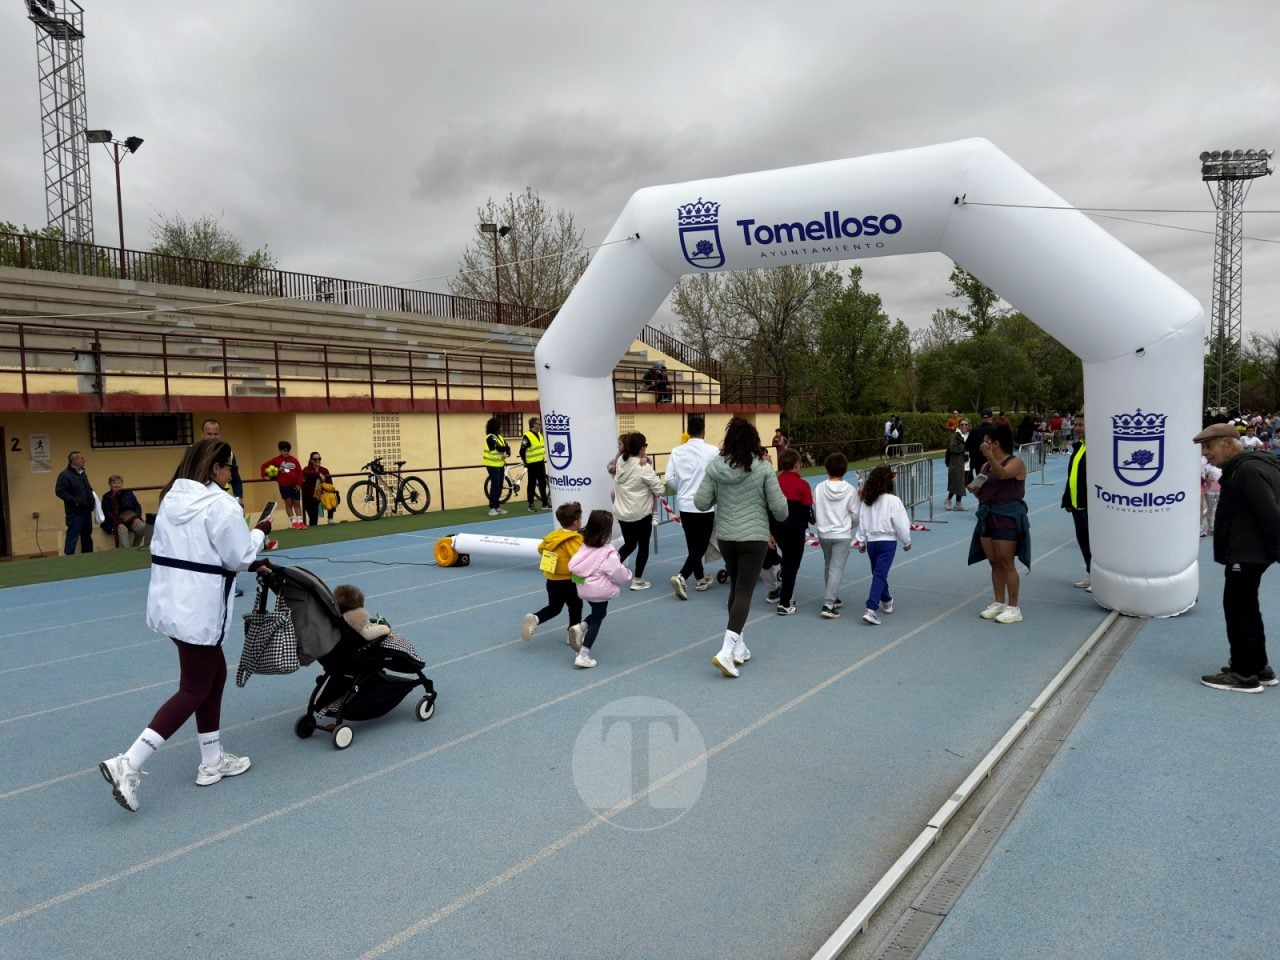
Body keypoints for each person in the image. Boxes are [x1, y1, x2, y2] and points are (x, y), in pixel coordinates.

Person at [98, 439, 273, 812]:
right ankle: (127, 763)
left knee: (214, 676)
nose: (231, 474)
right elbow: (239, 555)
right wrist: (259, 533)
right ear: (214, 469)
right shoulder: (222, 506)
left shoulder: (171, 498)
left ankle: (211, 761)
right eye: (229, 467)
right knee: (194, 688)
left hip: (172, 601)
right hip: (199, 606)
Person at [695, 417, 788, 678]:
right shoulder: (763, 469)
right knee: (745, 591)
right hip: (754, 536)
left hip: (726, 537)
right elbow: (780, 509)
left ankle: (739, 646)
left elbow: (701, 502)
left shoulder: (715, 468)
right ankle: (726, 651)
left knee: (737, 588)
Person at [1193, 422, 1280, 693]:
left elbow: (1270, 513)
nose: (1206, 452)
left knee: (1238, 608)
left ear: (1229, 444)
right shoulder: (1257, 465)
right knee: (1247, 607)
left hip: (1247, 552)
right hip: (1251, 551)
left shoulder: (1247, 471)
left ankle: (1243, 674)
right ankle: (1258, 666)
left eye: (1209, 446)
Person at [968, 423, 1030, 624]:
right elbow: (980, 485)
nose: (984, 444)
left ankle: (1014, 607)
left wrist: (988, 456)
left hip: (1007, 517)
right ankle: (999, 602)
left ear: (996, 443)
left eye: (987, 441)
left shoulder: (1016, 463)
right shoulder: (986, 465)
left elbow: (1003, 474)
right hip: (988, 517)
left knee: (1006, 562)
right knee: (994, 562)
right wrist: (975, 488)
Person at [566, 509, 633, 668]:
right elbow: (617, 572)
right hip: (599, 590)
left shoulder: (584, 546)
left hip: (584, 587)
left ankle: (580, 627)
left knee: (599, 613)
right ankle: (583, 654)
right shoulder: (608, 552)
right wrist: (628, 575)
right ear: (607, 530)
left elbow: (575, 566)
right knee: (597, 619)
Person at [665, 416, 720, 599]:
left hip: (685, 503)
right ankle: (682, 576)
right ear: (703, 431)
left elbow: (669, 478)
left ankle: (700, 577)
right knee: (701, 545)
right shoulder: (712, 450)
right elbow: (719, 474)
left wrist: (682, 490)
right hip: (705, 504)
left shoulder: (676, 451)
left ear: (688, 432)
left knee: (692, 544)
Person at [520, 501, 585, 648]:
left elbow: (540, 549)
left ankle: (536, 618)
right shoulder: (574, 539)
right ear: (575, 522)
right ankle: (572, 633)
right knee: (576, 605)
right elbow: (578, 558)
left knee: (554, 607)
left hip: (552, 579)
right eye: (580, 519)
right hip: (569, 579)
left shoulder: (553, 536)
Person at [854, 465, 912, 625]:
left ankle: (886, 600)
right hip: (887, 543)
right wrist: (906, 541)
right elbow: (901, 523)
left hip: (872, 543)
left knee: (878, 573)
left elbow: (862, 521)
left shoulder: (868, 500)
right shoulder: (893, 501)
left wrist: (861, 540)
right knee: (879, 574)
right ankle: (871, 609)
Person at [613, 432, 667, 590]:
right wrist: (646, 464)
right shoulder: (644, 468)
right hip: (640, 514)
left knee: (629, 544)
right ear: (642, 448)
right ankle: (637, 580)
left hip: (622, 513)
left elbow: (631, 462)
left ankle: (606, 570)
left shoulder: (620, 462)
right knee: (643, 546)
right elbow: (660, 489)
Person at [202, 418, 246, 596]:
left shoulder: (228, 452)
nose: (212, 437)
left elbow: (235, 477)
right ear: (202, 434)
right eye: (209, 434)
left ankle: (230, 581)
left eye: (216, 433)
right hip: (202, 503)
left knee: (227, 540)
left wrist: (239, 498)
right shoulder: (194, 452)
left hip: (223, 500)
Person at [813, 452, 858, 619]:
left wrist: (822, 523)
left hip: (824, 532)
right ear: (845, 470)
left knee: (829, 564)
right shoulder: (850, 490)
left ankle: (832, 596)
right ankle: (829, 603)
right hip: (842, 534)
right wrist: (848, 526)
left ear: (826, 469)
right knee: (836, 568)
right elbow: (855, 514)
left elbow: (815, 509)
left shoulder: (819, 487)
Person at [771, 448, 813, 615]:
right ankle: (784, 602)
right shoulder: (803, 484)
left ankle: (786, 595)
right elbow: (808, 509)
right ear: (797, 464)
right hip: (795, 529)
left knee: (787, 561)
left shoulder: (775, 482)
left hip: (777, 528)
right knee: (791, 565)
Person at [1061, 412, 1090, 590]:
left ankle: (1100, 578)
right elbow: (1072, 476)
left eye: (1081, 425)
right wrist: (1067, 500)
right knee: (1083, 540)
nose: (1077, 428)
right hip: (1076, 503)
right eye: (1076, 425)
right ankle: (1091, 573)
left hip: (1089, 505)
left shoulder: (1095, 449)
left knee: (1095, 543)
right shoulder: (1078, 447)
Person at [55, 450, 96, 555]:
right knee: (73, 536)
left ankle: (88, 556)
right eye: (82, 458)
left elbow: (87, 488)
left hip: (86, 510)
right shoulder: (65, 475)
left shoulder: (82, 474)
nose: (84, 460)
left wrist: (92, 499)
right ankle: (69, 558)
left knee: (87, 535)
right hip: (75, 512)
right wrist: (75, 501)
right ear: (74, 460)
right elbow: (60, 491)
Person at [260, 441, 305, 529]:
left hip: (295, 485)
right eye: (284, 451)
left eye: (288, 451)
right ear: (280, 450)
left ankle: (301, 522)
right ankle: (294, 523)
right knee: (288, 503)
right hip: (284, 485)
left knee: (297, 503)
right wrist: (264, 476)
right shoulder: (276, 460)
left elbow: (300, 472)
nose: (286, 453)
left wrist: (299, 484)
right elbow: (264, 466)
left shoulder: (294, 460)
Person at [101, 474, 147, 547]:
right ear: (110, 485)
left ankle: (135, 547)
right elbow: (107, 512)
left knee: (142, 526)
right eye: (114, 483)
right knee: (122, 530)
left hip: (131, 519)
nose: (117, 485)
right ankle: (127, 552)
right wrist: (118, 523)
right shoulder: (106, 496)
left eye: (119, 483)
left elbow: (137, 506)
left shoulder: (128, 493)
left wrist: (137, 518)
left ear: (122, 484)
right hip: (115, 521)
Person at [519, 415, 552, 512]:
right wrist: (526, 462)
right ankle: (531, 504)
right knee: (532, 484)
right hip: (532, 464)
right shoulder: (527, 436)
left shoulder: (540, 435)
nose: (540, 425)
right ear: (533, 425)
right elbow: (522, 451)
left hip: (540, 462)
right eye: (539, 423)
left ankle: (545, 503)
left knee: (542, 483)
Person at [482, 416, 511, 516]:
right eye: (499, 426)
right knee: (495, 485)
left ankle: (497, 506)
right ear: (495, 426)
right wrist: (505, 448)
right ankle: (492, 507)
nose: (501, 428)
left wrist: (507, 450)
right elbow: (498, 448)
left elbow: (507, 447)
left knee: (499, 485)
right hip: (491, 464)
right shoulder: (490, 437)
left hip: (500, 464)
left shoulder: (499, 437)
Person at [301, 452, 336, 527]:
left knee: (332, 496)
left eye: (319, 459)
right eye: (315, 459)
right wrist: (318, 474)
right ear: (311, 460)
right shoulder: (307, 469)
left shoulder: (324, 470)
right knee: (313, 517)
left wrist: (325, 488)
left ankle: (330, 518)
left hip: (322, 495)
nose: (317, 460)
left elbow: (330, 483)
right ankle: (313, 530)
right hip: (310, 497)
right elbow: (304, 473)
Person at [944, 418, 971, 511]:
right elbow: (953, 449)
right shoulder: (955, 435)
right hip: (957, 463)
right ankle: (948, 500)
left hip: (967, 463)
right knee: (956, 483)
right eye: (962, 424)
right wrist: (964, 446)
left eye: (966, 424)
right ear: (959, 426)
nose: (964, 426)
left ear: (969, 426)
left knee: (962, 484)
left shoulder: (970, 435)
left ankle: (958, 503)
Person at [966, 408, 995, 481]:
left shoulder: (974, 431)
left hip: (979, 464)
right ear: (991, 418)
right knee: (993, 486)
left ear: (981, 418)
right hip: (994, 462)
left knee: (982, 486)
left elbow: (967, 448)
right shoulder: (996, 431)